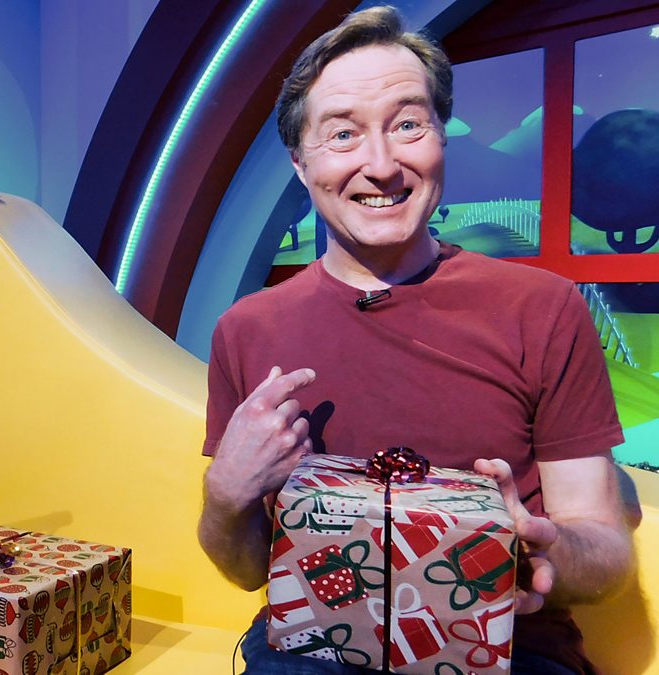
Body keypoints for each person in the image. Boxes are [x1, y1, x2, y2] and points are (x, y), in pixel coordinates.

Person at [196, 6, 636, 674]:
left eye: (407, 124)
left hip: (507, 644)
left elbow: (605, 553)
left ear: (441, 137)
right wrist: (225, 497)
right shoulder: (246, 329)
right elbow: (247, 570)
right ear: (300, 164)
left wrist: (540, 548)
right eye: (343, 134)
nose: (381, 164)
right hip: (315, 643)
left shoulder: (542, 308)